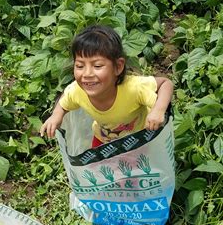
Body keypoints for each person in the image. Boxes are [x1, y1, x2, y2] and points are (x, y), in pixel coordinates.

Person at [40, 24, 173, 147]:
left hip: (140, 139)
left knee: (138, 169)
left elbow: (165, 84)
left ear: (118, 67)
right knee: (98, 169)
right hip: (103, 138)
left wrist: (158, 110)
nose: (87, 74)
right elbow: (64, 102)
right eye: (80, 66)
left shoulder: (134, 88)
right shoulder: (77, 91)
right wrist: (56, 115)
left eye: (97, 66)